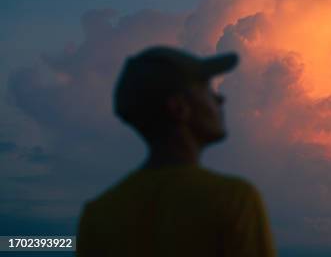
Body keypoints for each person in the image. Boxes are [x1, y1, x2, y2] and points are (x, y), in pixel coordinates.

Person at [76, 46, 275, 256]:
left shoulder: (99, 213)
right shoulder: (233, 199)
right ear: (179, 107)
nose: (219, 99)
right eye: (207, 89)